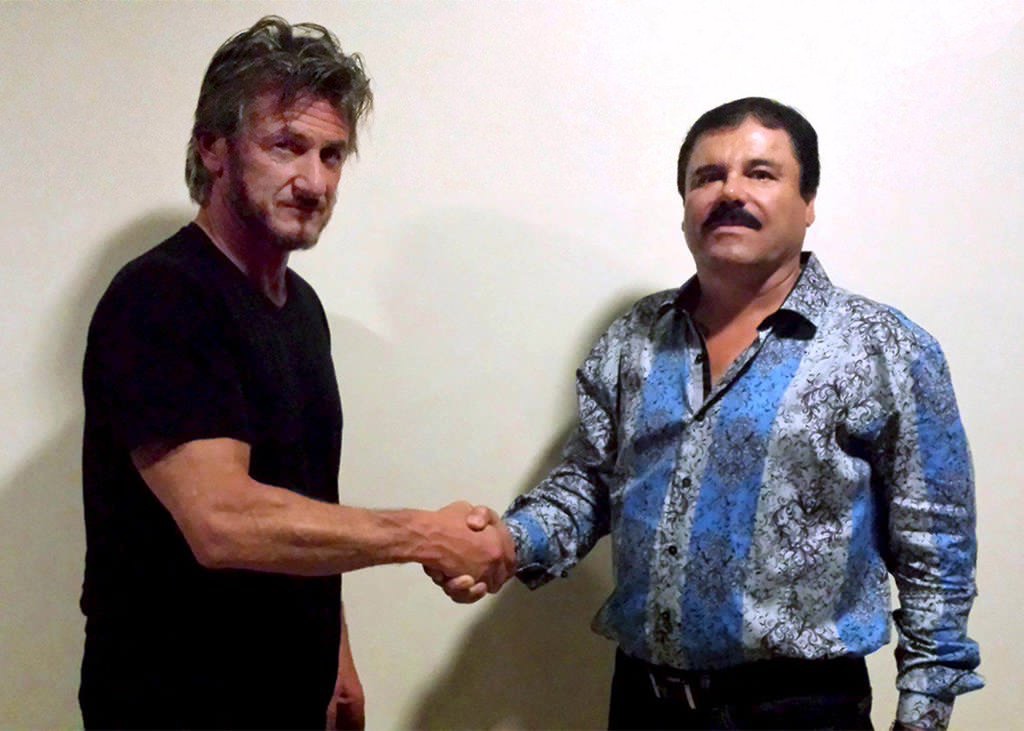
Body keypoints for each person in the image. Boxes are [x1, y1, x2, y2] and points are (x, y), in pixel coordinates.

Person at [434, 97, 982, 730]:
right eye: (708, 177)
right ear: (686, 204)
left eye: (761, 173)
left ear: (808, 202)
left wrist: (923, 716)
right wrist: (506, 542)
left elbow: (936, 551)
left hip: (800, 712)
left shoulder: (884, 349)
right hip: (643, 704)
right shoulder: (635, 337)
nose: (730, 192)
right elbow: (588, 485)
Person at [79, 16, 513, 730]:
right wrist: (423, 535)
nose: (314, 181)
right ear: (214, 148)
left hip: (287, 694)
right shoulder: (162, 297)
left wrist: (335, 652)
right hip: (174, 703)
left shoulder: (300, 307)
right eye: (286, 146)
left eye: (332, 155)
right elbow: (223, 521)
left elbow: (302, 498)